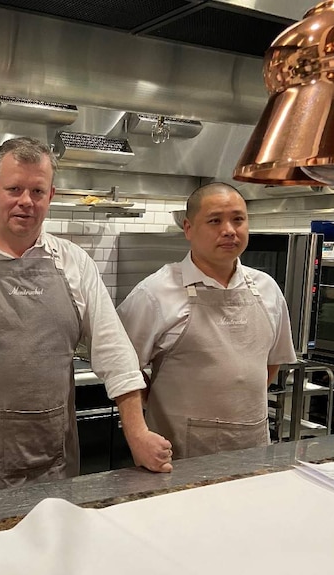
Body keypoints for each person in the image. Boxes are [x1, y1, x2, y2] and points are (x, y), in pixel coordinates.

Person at [0, 136, 172, 502]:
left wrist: (137, 433)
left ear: (51, 196)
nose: (26, 201)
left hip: (54, 465)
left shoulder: (75, 263)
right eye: (14, 189)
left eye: (37, 191)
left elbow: (116, 354)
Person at [116, 182, 297, 459]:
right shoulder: (154, 293)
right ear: (188, 229)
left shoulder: (267, 288)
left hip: (252, 447)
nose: (229, 230)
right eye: (215, 221)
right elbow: (122, 367)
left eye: (238, 219)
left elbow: (272, 361)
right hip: (179, 451)